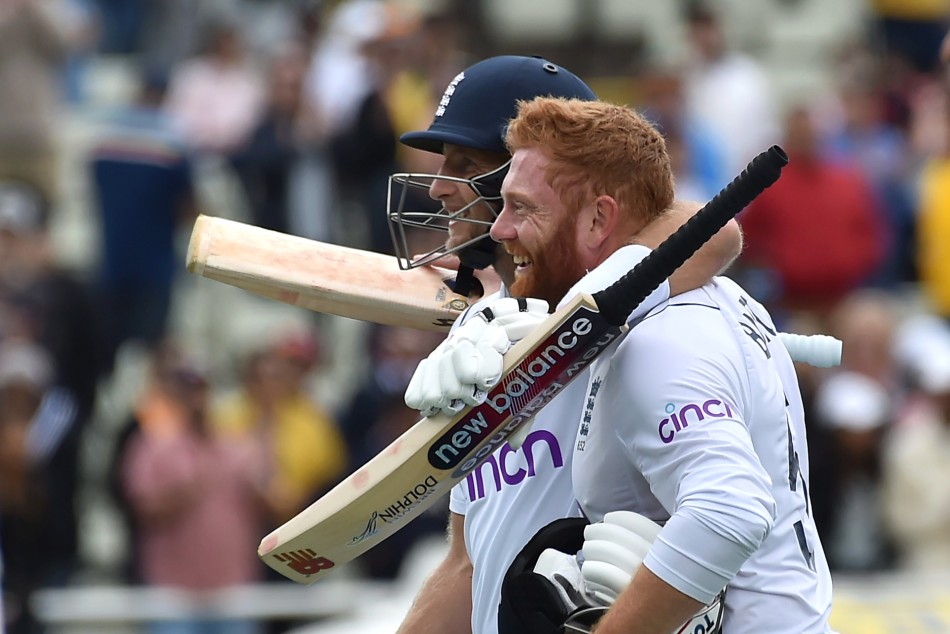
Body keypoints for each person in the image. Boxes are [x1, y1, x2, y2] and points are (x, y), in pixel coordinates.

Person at [388, 55, 744, 634]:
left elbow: (714, 228)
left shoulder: (631, 313)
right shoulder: (478, 334)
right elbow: (466, 563)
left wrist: (571, 320)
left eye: (464, 164)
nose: (436, 187)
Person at [478, 96, 834, 633]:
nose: (499, 229)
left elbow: (730, 510)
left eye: (522, 208)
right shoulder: (712, 303)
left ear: (599, 219)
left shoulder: (660, 339)